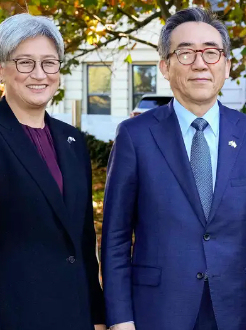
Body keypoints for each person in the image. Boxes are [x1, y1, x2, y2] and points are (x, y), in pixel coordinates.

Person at [102, 7, 246, 330]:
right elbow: (115, 239)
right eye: (185, 53)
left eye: (211, 53)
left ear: (227, 66)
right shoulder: (135, 137)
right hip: (157, 313)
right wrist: (120, 319)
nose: (200, 63)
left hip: (239, 311)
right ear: (164, 66)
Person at [0, 13, 105, 330]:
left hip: (75, 314)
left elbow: (84, 240)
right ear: (2, 68)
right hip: (14, 314)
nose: (39, 74)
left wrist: (97, 316)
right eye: (25, 63)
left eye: (49, 62)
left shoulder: (72, 140)